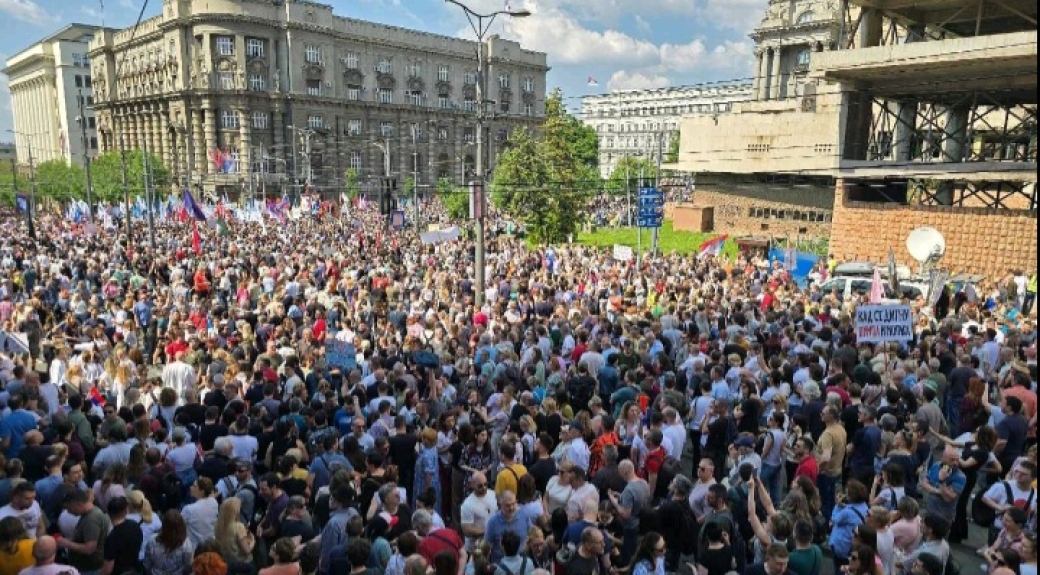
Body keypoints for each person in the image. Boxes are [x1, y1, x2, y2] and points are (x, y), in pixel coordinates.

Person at [58, 489, 110, 575]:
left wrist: (66, 543)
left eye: (68, 508)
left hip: (89, 569)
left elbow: (89, 548)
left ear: (78, 504)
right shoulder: (88, 514)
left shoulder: (91, 519)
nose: (68, 512)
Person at [142, 510, 194, 575]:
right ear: (181, 525)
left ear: (163, 524)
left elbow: (147, 564)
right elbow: (187, 567)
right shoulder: (186, 545)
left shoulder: (152, 540)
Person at [100, 496, 142, 575]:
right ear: (126, 510)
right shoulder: (135, 526)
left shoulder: (112, 538)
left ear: (109, 513)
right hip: (134, 571)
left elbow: (107, 569)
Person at [460, 472, 497, 552]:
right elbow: (467, 530)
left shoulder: (493, 494)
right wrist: (488, 531)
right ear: (472, 485)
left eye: (486, 484)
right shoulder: (467, 504)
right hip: (476, 549)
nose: (484, 488)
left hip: (492, 546)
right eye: (480, 486)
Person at [181, 477, 219, 548]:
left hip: (195, 548)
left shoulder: (189, 509)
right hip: (211, 545)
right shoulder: (214, 503)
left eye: (194, 486)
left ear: (202, 491)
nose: (191, 487)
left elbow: (179, 526)